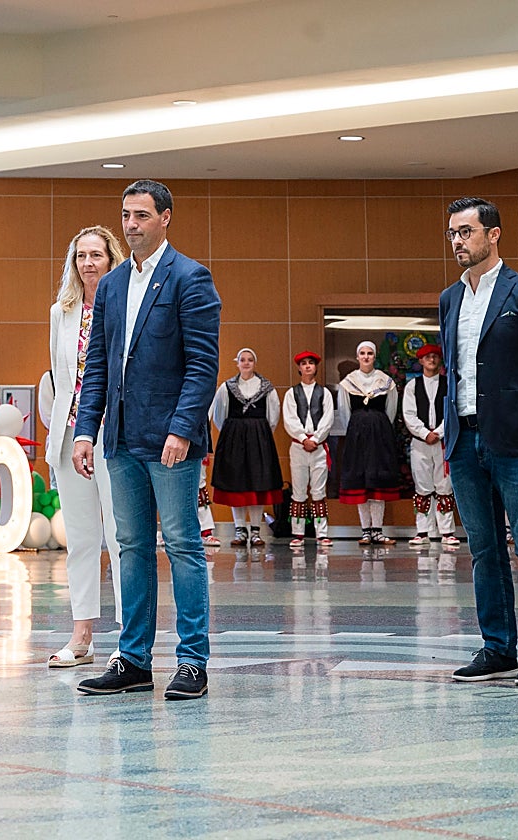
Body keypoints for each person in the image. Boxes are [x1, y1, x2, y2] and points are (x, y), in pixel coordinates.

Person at [70, 179, 220, 700]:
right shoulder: (110, 287)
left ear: (165, 218)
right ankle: (133, 660)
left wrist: (182, 429)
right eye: (125, 216)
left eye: (140, 215)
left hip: (170, 441)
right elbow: (98, 369)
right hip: (121, 440)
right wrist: (85, 429)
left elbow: (202, 367)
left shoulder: (190, 278)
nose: (131, 224)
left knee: (182, 546)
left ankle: (192, 661)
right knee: (130, 546)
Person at [440, 197, 518, 686]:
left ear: (493, 235)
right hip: (464, 440)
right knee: (483, 550)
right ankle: (497, 648)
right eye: (452, 233)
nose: (458, 241)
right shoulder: (450, 298)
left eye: (466, 232)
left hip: (515, 441)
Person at [44, 225, 125, 667]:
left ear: (112, 260)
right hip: (69, 437)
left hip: (115, 436)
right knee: (80, 540)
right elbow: (59, 377)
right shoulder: (61, 311)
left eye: (96, 255)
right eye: (81, 256)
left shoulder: (126, 306)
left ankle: (129, 639)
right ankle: (82, 636)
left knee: (120, 538)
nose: (88, 263)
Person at [210, 348, 283, 547]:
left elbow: (273, 416)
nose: (246, 363)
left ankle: (256, 531)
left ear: (255, 363)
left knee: (257, 484)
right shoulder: (227, 387)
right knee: (236, 485)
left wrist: (260, 433)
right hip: (234, 440)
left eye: (250, 359)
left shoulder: (266, 387)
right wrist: (232, 432)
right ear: (237, 363)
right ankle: (240, 529)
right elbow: (219, 415)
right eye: (243, 359)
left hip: (259, 439)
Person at [336, 341, 400, 545]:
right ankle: (365, 530)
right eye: (362, 353)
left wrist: (378, 425)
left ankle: (378, 530)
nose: (366, 357)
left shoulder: (386, 381)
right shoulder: (348, 382)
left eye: (370, 353)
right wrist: (358, 427)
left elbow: (391, 410)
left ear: (375, 356)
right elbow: (345, 412)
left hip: (380, 435)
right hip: (357, 436)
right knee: (361, 481)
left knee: (377, 481)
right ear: (357, 357)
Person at [400, 344, 459, 549]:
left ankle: (446, 532)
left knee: (444, 485)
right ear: (421, 361)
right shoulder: (412, 386)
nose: (431, 360)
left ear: (439, 361)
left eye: (434, 357)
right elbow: (409, 414)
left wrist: (439, 432)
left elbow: (452, 410)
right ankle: (422, 531)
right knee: (422, 486)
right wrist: (425, 433)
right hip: (420, 442)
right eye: (427, 357)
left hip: (442, 441)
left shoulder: (448, 384)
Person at [281, 350, 334, 549]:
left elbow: (328, 419)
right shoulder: (291, 393)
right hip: (298, 446)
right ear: (299, 368)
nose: (308, 366)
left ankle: (322, 534)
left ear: (316, 367)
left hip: (319, 447)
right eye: (304, 363)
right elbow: (290, 419)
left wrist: (316, 438)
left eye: (311, 363)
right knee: (299, 490)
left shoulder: (325, 393)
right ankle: (298, 533)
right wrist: (304, 438)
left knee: (319, 490)